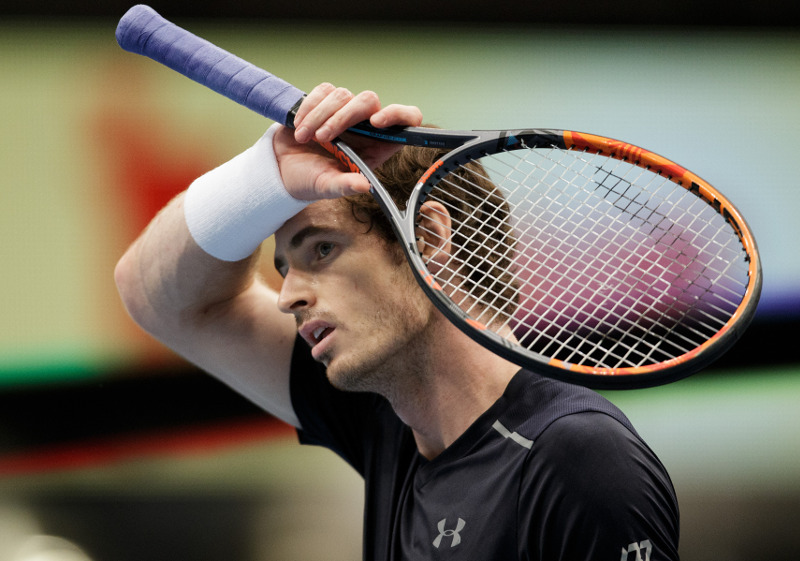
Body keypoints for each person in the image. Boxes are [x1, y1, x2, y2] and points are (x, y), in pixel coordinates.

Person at [115, 83, 680, 560]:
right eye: (283, 267)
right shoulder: (385, 415)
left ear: (428, 237)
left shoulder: (578, 458)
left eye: (322, 251)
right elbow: (151, 296)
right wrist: (265, 177)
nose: (287, 296)